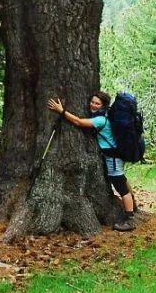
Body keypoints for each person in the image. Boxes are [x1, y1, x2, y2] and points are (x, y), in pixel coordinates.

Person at [47, 91, 136, 231]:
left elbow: (78, 122)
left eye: (97, 103)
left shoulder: (100, 120)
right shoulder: (106, 115)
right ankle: (133, 205)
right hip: (115, 154)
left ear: (103, 106)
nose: (93, 105)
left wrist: (61, 111)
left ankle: (130, 219)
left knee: (120, 186)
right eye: (92, 102)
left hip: (112, 157)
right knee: (122, 179)